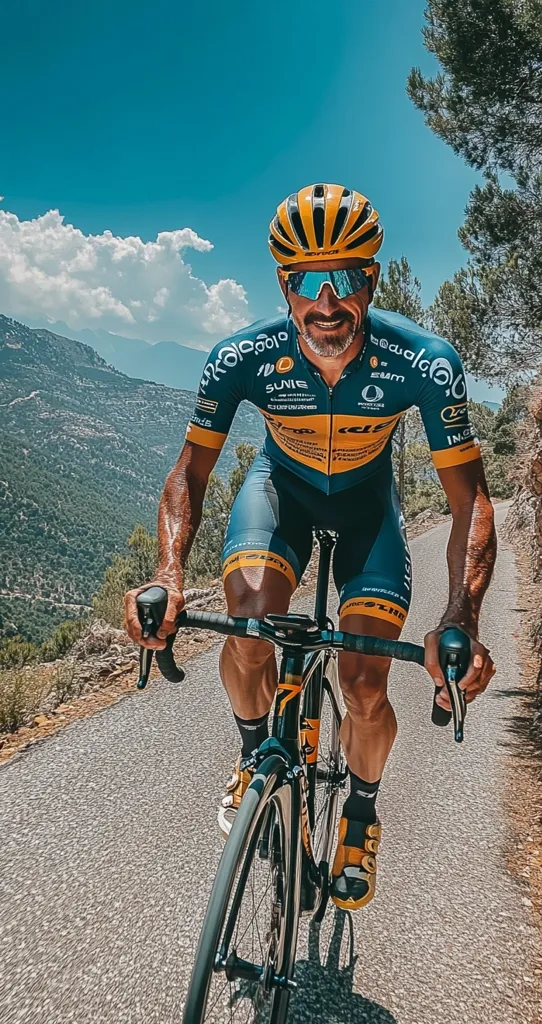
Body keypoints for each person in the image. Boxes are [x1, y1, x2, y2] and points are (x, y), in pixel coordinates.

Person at [125, 184, 497, 911]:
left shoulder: (422, 361)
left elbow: (469, 501)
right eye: (308, 282)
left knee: (362, 683)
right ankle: (251, 752)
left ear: (374, 280)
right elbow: (189, 473)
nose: (328, 303)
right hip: (281, 495)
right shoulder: (243, 357)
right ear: (284, 286)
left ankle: (359, 813)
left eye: (348, 278)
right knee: (251, 616)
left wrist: (462, 615)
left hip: (367, 511)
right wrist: (168, 571)